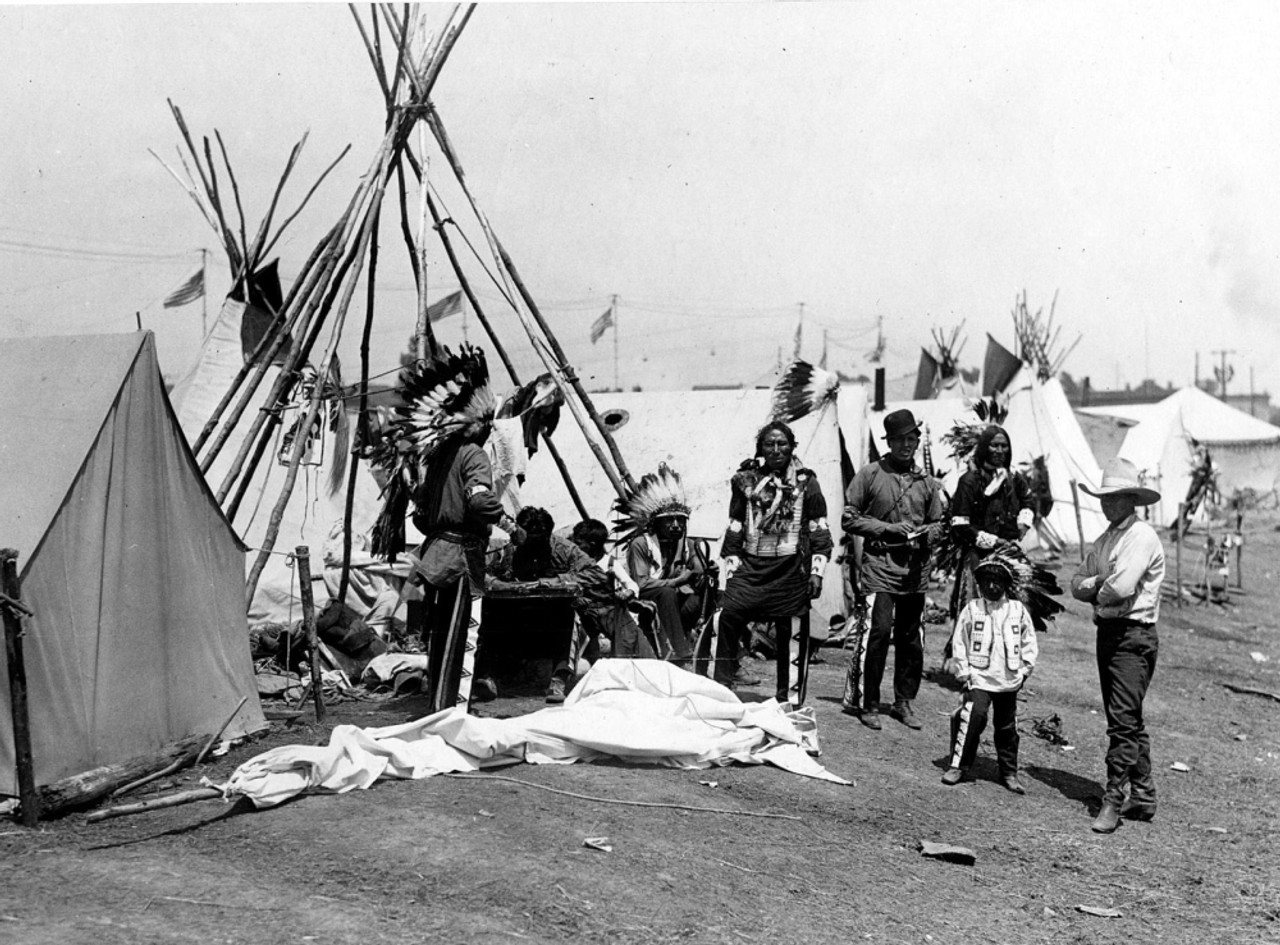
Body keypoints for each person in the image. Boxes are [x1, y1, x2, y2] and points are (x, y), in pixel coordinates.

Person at [369, 345, 524, 713]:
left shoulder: (438, 458)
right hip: (459, 558)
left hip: (435, 554)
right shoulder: (472, 454)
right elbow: (478, 500)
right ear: (482, 425)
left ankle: (439, 703)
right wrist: (508, 524)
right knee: (460, 632)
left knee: (440, 634)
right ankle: (451, 709)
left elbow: (422, 513)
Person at [1070, 457, 1165, 834]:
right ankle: (1143, 795)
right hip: (1109, 632)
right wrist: (1097, 588)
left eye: (1116, 497)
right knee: (1125, 716)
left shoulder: (1140, 536)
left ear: (1132, 500)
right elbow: (1077, 581)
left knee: (1123, 721)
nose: (1108, 504)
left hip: (1134, 634)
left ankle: (1113, 798)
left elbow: (1122, 589)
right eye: (1105, 497)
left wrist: (1097, 588)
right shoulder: (1107, 538)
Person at [707, 421, 832, 707]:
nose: (776, 450)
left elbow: (818, 529)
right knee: (726, 618)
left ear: (792, 446)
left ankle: (788, 701)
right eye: (769, 444)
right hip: (751, 567)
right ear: (760, 449)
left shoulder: (806, 482)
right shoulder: (745, 480)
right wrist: (730, 575)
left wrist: (817, 573)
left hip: (789, 569)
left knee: (794, 632)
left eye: (782, 444)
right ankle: (719, 694)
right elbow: (736, 527)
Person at [841, 408, 945, 730]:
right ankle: (867, 702)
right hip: (879, 567)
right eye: (899, 439)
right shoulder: (870, 474)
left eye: (911, 438)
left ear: (917, 440)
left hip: (915, 571)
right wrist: (888, 529)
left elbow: (939, 524)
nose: (906, 445)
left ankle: (903, 702)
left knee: (912, 638)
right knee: (879, 632)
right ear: (889, 442)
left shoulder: (926, 483)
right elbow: (848, 517)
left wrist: (926, 534)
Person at [486, 506, 614, 703]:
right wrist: (505, 585)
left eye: (540, 539)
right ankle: (489, 677)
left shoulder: (565, 549)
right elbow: (485, 574)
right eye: (529, 539)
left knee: (571, 612)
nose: (534, 544)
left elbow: (597, 576)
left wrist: (556, 582)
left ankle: (558, 680)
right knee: (491, 610)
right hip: (523, 614)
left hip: (558, 614)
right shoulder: (511, 549)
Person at [941, 553, 1038, 793]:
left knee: (1007, 728)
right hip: (980, 678)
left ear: (1007, 585)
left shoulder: (1017, 610)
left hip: (1008, 680)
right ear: (979, 584)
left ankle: (1009, 772)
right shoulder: (972, 609)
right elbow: (960, 641)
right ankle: (959, 765)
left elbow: (1029, 641)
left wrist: (1025, 670)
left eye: (997, 582)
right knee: (974, 716)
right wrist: (965, 672)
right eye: (986, 582)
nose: (992, 586)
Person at [615, 465, 714, 664]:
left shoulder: (689, 544)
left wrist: (705, 569)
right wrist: (678, 580)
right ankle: (681, 652)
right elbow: (642, 584)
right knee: (667, 593)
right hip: (644, 595)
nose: (676, 525)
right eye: (670, 520)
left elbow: (697, 569)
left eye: (681, 520)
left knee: (711, 591)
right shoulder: (641, 544)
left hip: (674, 598)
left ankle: (711, 654)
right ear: (656, 524)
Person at [947, 424, 1034, 620]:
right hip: (977, 558)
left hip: (1008, 557)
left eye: (1004, 446)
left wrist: (1023, 522)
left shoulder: (1013, 478)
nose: (1000, 451)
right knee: (976, 617)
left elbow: (1028, 499)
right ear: (985, 447)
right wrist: (993, 541)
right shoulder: (969, 481)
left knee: (1009, 618)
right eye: (994, 445)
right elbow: (960, 525)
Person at [569, 518, 659, 659]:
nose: (575, 547)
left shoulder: (609, 563)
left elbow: (631, 584)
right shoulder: (576, 563)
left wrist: (628, 592)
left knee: (626, 633)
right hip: (585, 610)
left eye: (579, 544)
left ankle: (625, 660)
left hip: (607, 610)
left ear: (592, 545)